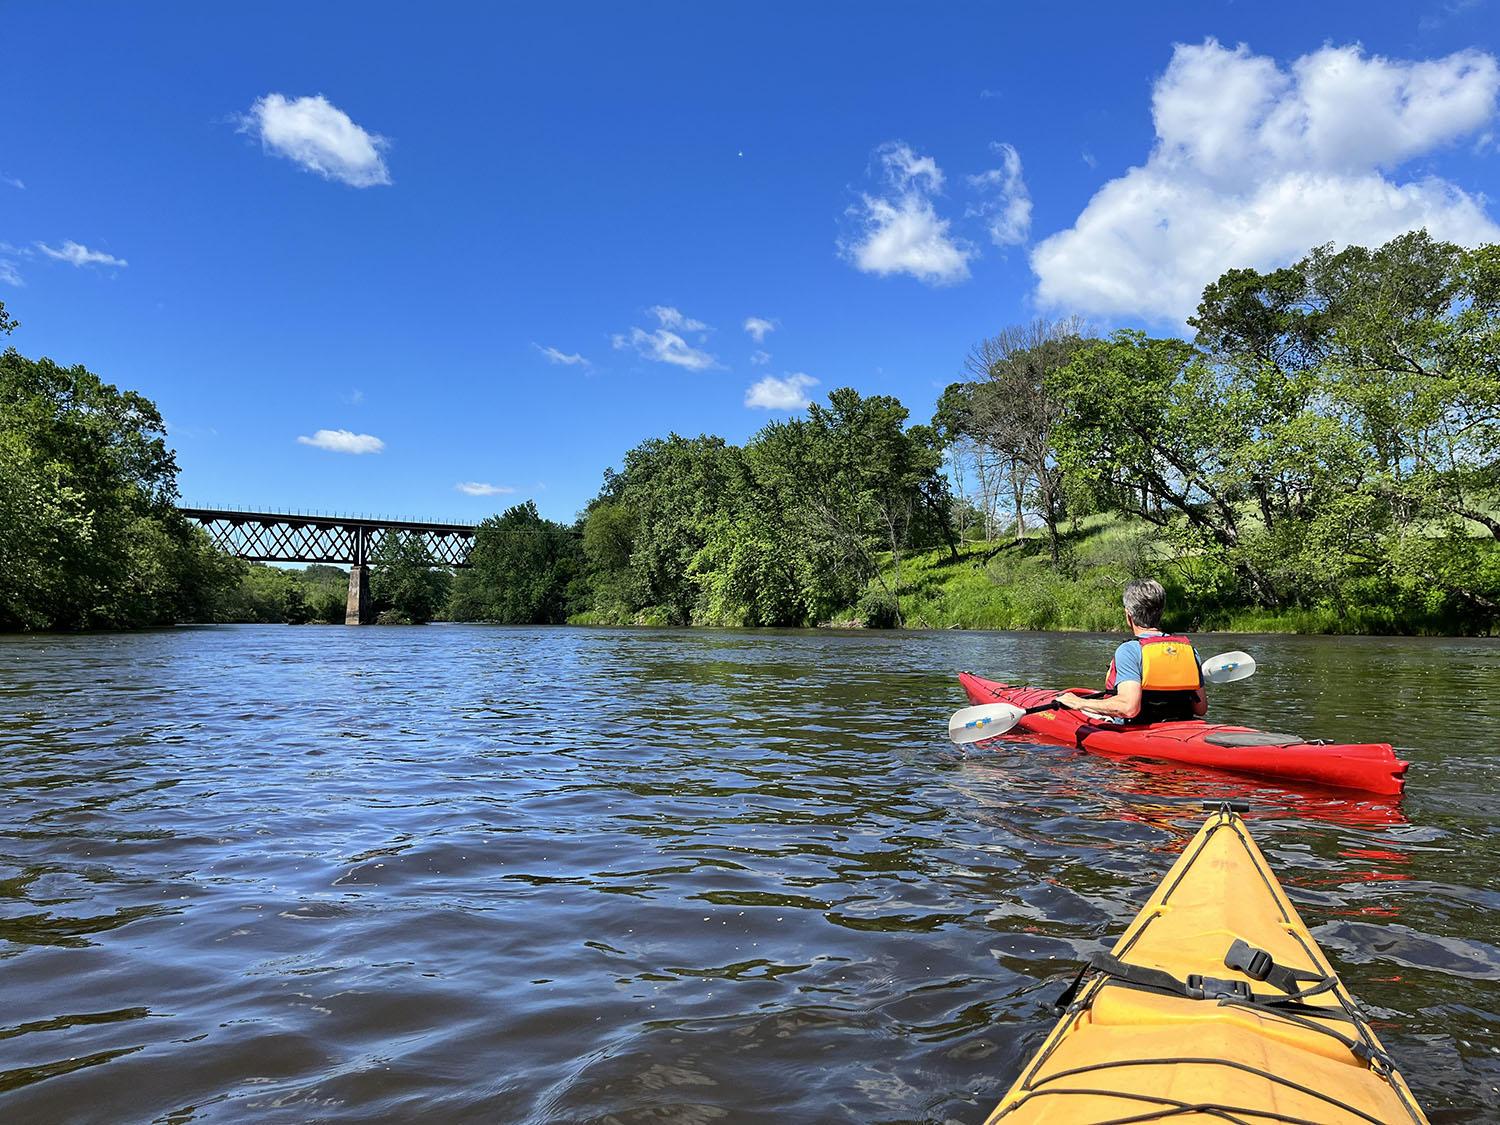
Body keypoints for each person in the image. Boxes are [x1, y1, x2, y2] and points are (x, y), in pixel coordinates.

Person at [1056, 578, 1206, 723]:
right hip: (1180, 727)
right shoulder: (1190, 651)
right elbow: (1201, 708)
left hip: (1136, 730)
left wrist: (1078, 703)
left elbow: (1128, 708)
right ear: (1161, 612)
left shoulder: (1130, 650)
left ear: (1129, 615)